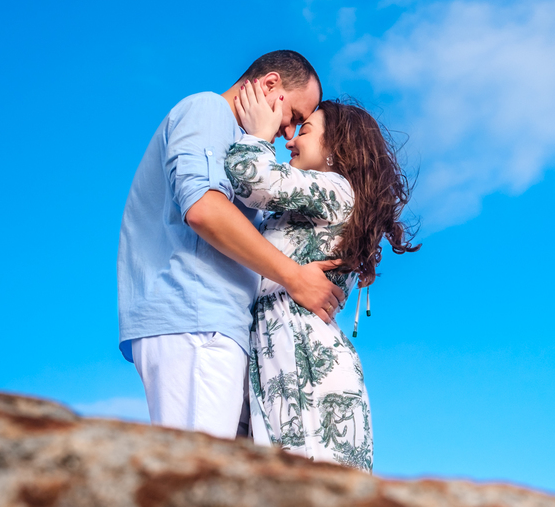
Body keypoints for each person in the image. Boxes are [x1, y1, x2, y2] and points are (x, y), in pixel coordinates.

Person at [117, 51, 346, 438]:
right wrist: (295, 278)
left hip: (207, 322)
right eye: (291, 116)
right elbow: (204, 209)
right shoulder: (208, 111)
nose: (288, 134)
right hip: (197, 317)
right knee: (196, 476)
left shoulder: (233, 137)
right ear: (270, 84)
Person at [224, 82, 419, 471]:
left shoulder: (335, 189)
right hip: (292, 357)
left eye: (305, 130)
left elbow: (250, 176)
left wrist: (260, 134)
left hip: (306, 368)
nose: (292, 139)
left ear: (335, 150)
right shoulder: (316, 201)